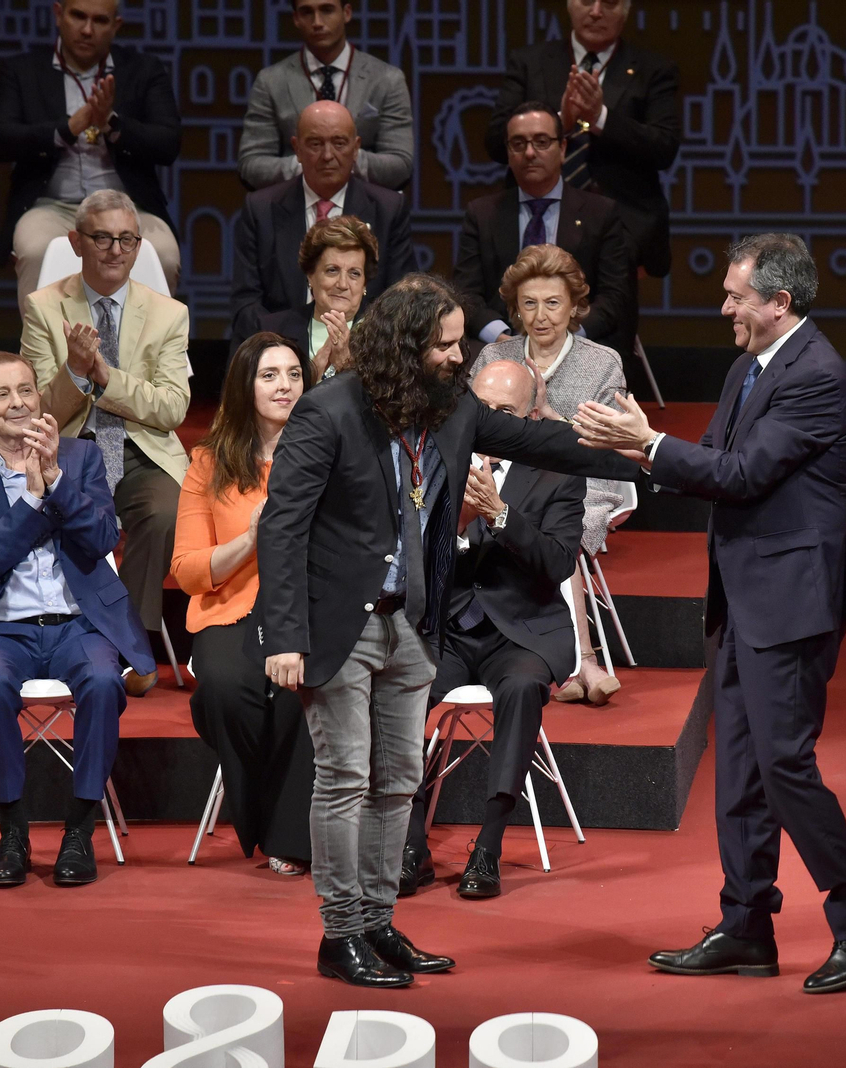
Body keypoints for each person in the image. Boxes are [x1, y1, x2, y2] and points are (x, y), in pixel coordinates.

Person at [255, 274, 640, 988]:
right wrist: (284, 635)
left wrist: (643, 454)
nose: (459, 357)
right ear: (405, 349)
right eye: (447, 345)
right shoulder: (328, 412)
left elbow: (541, 443)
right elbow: (282, 528)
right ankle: (340, 935)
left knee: (398, 779)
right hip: (339, 625)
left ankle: (376, 922)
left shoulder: (453, 411)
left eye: (461, 342)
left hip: (411, 620)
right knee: (345, 779)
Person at [572, 234, 846, 995]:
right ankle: (747, 925)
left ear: (778, 303)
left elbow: (745, 475)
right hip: (746, 595)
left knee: (784, 765)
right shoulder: (748, 367)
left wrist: (649, 443)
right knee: (743, 774)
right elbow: (713, 466)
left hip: (790, 601)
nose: (723, 307)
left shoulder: (816, 375)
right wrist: (640, 450)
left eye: (735, 296)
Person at [0, 351, 156, 888]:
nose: (18, 403)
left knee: (104, 681)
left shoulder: (81, 458)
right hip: (2, 629)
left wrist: (56, 480)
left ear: (40, 396)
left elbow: (105, 539)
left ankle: (79, 830)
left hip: (79, 624)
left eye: (26, 390)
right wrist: (32, 501)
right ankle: (13, 830)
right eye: (1, 395)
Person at [400, 360, 585, 899]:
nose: (490, 419)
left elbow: (556, 564)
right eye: (482, 408)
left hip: (521, 630)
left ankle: (490, 845)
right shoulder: (434, 453)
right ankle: (412, 844)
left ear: (528, 416)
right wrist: (451, 525)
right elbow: (407, 549)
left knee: (524, 688)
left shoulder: (557, 467)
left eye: (505, 412)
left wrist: (502, 516)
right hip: (449, 630)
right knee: (400, 688)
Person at [21, 189, 191, 687]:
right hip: (70, 452)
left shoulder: (168, 314)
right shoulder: (44, 308)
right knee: (60, 516)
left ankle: (129, 642)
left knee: (166, 513)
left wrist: (106, 378)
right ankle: (65, 643)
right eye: (102, 238)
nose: (115, 250)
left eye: (127, 239)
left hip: (140, 451)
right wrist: (75, 373)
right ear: (76, 242)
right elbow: (38, 412)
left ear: (139, 247)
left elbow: (171, 407)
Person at [173, 333, 317, 876]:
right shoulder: (210, 463)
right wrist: (251, 540)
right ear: (244, 385)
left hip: (304, 608)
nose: (285, 386)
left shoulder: (323, 454)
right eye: (270, 375)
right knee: (227, 689)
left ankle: (287, 837)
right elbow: (187, 569)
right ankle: (257, 816)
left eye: (294, 374)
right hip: (229, 606)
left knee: (295, 693)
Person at [474, 243, 626, 704]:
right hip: (503, 478)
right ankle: (579, 663)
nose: (541, 315)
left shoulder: (602, 361)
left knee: (565, 526)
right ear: (515, 307)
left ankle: (581, 659)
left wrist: (545, 412)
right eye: (529, 303)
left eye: (553, 303)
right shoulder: (491, 359)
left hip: (583, 481)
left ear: (575, 306)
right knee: (523, 516)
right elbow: (475, 432)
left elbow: (609, 443)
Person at [0, 0, 182, 304]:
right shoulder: (23, 71)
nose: (87, 30)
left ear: (116, 25)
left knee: (164, 254)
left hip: (129, 208)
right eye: (78, 16)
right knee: (36, 250)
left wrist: (111, 124)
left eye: (100, 21)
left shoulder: (143, 70)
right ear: (58, 14)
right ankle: (40, 352)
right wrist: (67, 128)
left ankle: (153, 351)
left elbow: (168, 143)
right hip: (51, 206)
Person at [487, 0, 681, 279]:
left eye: (610, 3)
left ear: (625, 12)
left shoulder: (654, 69)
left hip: (622, 230)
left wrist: (600, 117)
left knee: (608, 317)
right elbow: (495, 141)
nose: (596, 11)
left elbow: (664, 148)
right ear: (569, 5)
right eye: (587, 1)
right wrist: (559, 123)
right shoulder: (530, 62)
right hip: (535, 218)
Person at [456, 102, 635, 360]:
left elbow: (615, 296)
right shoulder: (482, 214)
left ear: (562, 148)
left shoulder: (601, 213)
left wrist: (569, 336)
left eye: (541, 142)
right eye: (518, 144)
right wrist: (502, 337)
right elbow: (466, 293)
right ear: (508, 153)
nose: (529, 153)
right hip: (499, 345)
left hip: (578, 343)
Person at [232, 101, 416, 341]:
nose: (328, 155)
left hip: (366, 349)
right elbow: (246, 303)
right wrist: (288, 350)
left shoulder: (389, 209)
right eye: (315, 144)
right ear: (297, 149)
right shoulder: (260, 208)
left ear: (356, 148)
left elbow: (401, 301)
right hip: (277, 349)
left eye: (339, 143)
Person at [237, 0, 413, 192]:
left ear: (346, 13)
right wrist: (307, 163)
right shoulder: (271, 82)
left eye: (327, 10)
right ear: (296, 18)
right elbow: (251, 166)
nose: (317, 22)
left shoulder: (387, 80)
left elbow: (400, 164)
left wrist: (344, 158)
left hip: (366, 210)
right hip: (293, 209)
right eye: (307, 13)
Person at [249, 215, 378, 382]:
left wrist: (347, 370)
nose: (343, 284)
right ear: (310, 276)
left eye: (354, 273)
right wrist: (308, 379)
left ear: (364, 283)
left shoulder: (384, 337)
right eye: (332, 270)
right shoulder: (271, 330)